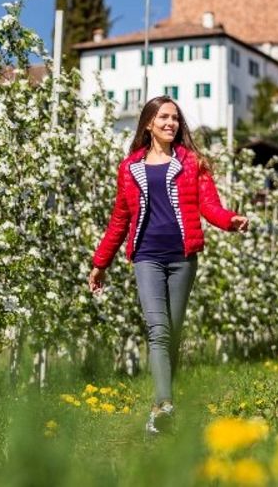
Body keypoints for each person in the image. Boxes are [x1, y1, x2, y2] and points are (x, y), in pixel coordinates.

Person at [89, 96, 249, 436]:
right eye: (163, 117)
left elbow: (209, 205)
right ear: (148, 123)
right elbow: (120, 219)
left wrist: (229, 220)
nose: (170, 123)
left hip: (182, 257)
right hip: (146, 255)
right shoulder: (130, 167)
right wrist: (100, 263)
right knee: (157, 330)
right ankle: (163, 405)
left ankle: (161, 410)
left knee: (171, 335)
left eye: (175, 118)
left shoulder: (192, 163)